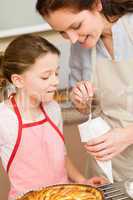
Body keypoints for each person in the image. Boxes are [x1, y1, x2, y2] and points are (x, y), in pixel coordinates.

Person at [36, 0, 133, 181]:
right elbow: (85, 106)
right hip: (107, 162)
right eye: (63, 33)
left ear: (97, 4)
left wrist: (128, 135)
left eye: (76, 26)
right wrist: (82, 100)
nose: (73, 39)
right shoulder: (81, 46)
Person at [0, 34, 106, 200]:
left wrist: (82, 181)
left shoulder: (53, 109)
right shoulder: (4, 119)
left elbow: (60, 156)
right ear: (18, 81)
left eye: (56, 73)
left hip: (64, 195)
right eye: (45, 76)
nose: (55, 81)